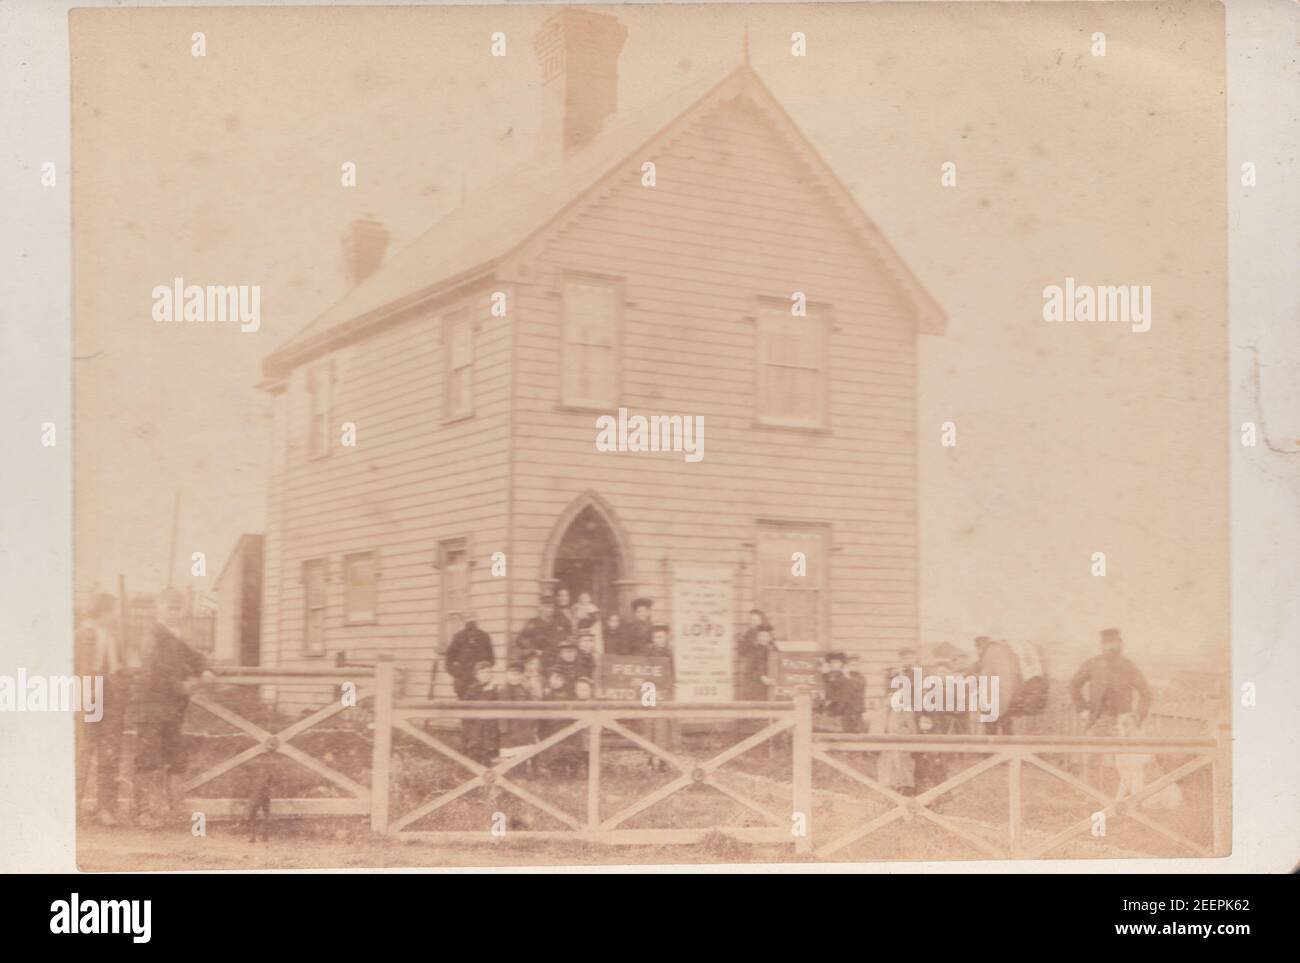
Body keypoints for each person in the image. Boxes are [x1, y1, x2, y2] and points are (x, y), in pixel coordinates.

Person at [128, 587, 213, 826]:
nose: (174, 612)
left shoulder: (175, 636)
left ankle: (170, 807)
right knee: (147, 758)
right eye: (170, 607)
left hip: (171, 709)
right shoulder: (152, 635)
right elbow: (157, 672)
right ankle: (142, 812)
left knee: (175, 757)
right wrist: (185, 686)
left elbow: (195, 656)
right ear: (159, 608)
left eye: (178, 607)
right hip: (150, 707)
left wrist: (204, 669)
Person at [75, 592, 124, 825]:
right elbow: (81, 669)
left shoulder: (112, 636)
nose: (117, 616)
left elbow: (117, 666)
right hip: (90, 693)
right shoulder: (85, 634)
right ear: (104, 612)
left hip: (112, 695)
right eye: (114, 611)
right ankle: (71, 804)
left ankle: (106, 808)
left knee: (109, 752)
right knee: (83, 751)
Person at [1069, 628, 1152, 734]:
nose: (1110, 647)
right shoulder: (1093, 663)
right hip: (1096, 720)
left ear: (1120, 644)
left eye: (1114, 642)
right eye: (1107, 643)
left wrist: (1137, 716)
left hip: (1122, 722)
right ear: (1102, 645)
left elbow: (1146, 693)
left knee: (1122, 750)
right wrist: (1082, 710)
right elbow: (1074, 685)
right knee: (1093, 749)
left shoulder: (1128, 666)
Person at [876, 646, 919, 795]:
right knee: (894, 750)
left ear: (914, 658)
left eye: (910, 657)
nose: (907, 660)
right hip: (899, 715)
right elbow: (889, 690)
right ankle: (895, 782)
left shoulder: (919, 674)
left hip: (915, 711)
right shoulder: (896, 675)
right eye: (904, 658)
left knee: (910, 750)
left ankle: (908, 783)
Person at [442, 611, 493, 699]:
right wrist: (458, 673)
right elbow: (448, 661)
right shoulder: (458, 637)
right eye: (468, 619)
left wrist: (484, 673)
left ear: (477, 619)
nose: (471, 622)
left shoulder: (484, 636)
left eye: (473, 618)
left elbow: (491, 659)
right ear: (464, 621)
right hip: (463, 682)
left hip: (481, 682)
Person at [459, 661, 499, 766]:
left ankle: (486, 766)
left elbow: (494, 705)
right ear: (477, 675)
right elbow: (465, 705)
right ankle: (472, 766)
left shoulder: (495, 689)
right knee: (473, 746)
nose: (486, 675)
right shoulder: (472, 689)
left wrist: (488, 690)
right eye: (482, 673)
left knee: (487, 749)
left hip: (490, 724)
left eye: (489, 672)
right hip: (474, 723)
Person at [497, 663, 535, 764]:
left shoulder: (524, 690)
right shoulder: (503, 690)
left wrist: (531, 725)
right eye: (512, 674)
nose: (515, 678)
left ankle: (521, 775)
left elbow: (531, 706)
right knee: (509, 755)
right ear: (507, 675)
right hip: (509, 728)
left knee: (522, 754)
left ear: (522, 676)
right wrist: (503, 728)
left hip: (522, 727)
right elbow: (501, 710)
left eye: (518, 675)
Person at [513, 598, 560, 664]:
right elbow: (519, 640)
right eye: (547, 607)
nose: (550, 610)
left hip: (553, 660)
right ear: (540, 608)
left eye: (552, 607)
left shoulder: (555, 624)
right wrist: (533, 651)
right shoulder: (533, 623)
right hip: (538, 661)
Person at [739, 624, 778, 700]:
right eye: (761, 636)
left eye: (766, 636)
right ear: (758, 637)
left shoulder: (773, 651)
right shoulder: (753, 651)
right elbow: (748, 670)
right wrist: (761, 677)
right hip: (755, 688)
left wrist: (773, 679)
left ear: (770, 638)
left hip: (770, 688)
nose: (764, 638)